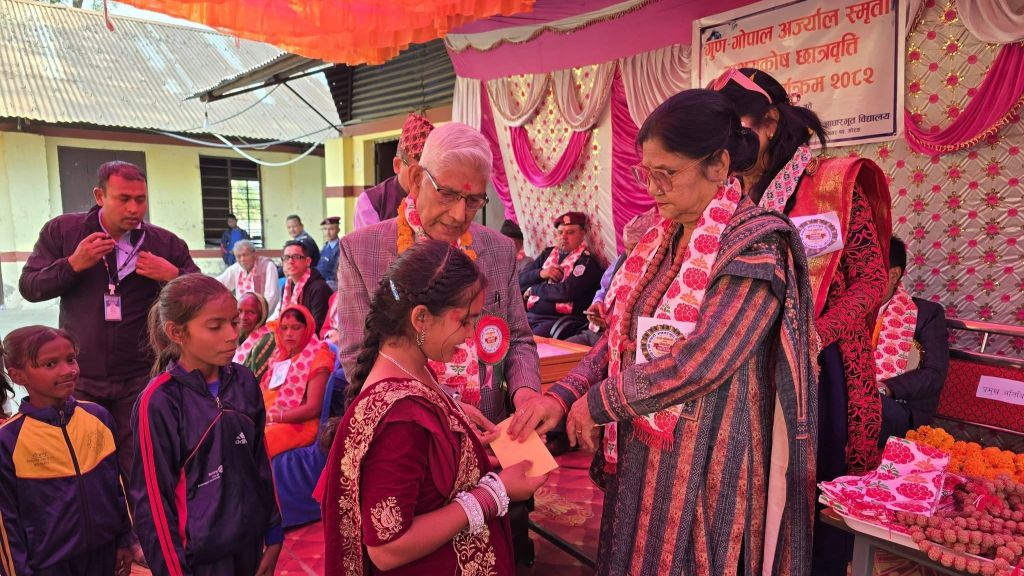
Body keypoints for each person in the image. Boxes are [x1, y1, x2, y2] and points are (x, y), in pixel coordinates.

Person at [509, 89, 819, 576]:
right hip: (643, 455)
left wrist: (598, 403)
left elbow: (703, 361)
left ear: (718, 165)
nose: (653, 188)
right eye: (645, 173)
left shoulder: (754, 246)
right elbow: (619, 338)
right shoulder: (661, 239)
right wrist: (563, 396)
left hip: (708, 465)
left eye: (667, 173)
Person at [337, 122, 545, 565]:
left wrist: (526, 394)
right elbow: (357, 355)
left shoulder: (497, 250)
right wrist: (444, 407)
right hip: (413, 443)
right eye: (447, 194)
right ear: (415, 178)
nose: (458, 214)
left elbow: (520, 338)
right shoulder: (363, 250)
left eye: (474, 200)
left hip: (489, 439)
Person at [713, 67, 892, 575]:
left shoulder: (831, 184)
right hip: (740, 369)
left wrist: (812, 337)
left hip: (820, 368)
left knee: (808, 505)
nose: (726, 146)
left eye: (735, 129)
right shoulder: (722, 192)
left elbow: (871, 280)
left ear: (770, 122)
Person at [322, 240, 547, 575]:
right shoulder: (399, 418)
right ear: (421, 318)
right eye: (465, 321)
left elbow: (425, 477)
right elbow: (388, 548)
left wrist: (473, 451)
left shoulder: (414, 370)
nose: (471, 335)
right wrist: (496, 491)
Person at [19, 160, 199, 478]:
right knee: (86, 466)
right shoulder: (64, 231)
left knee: (140, 468)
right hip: (80, 377)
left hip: (140, 376)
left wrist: (174, 275)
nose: (134, 208)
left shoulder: (164, 243)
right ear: (100, 196)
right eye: (123, 199)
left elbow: (203, 295)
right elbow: (29, 287)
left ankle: (139, 513)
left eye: (140, 199)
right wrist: (72, 265)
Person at [132, 274, 282, 576]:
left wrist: (274, 532)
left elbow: (260, 462)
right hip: (199, 559)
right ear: (177, 332)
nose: (232, 335)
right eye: (215, 327)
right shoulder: (160, 401)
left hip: (249, 544)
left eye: (234, 322)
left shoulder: (244, 381)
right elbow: (153, 501)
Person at [0, 326, 133, 576]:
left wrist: (124, 539)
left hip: (103, 556)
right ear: (18, 375)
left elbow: (116, 487)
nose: (68, 370)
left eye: (71, 359)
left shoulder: (98, 417)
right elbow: (7, 525)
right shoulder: (8, 441)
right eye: (50, 364)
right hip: (47, 566)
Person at [874, 237, 949, 444]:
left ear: (893, 275)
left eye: (865, 272)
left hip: (900, 406)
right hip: (851, 396)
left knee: (861, 403)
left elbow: (934, 374)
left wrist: (884, 388)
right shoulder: (847, 311)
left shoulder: (926, 314)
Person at [567, 210, 658, 346]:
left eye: (635, 249)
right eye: (627, 248)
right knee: (557, 353)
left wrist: (611, 323)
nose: (630, 255)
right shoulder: (622, 260)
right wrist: (597, 302)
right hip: (594, 332)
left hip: (620, 341)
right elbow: (603, 289)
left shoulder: (656, 273)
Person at [261, 304, 334, 457]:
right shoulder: (281, 354)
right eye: (284, 328)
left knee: (257, 440)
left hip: (301, 424)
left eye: (296, 328)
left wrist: (272, 417)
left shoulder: (319, 357)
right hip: (272, 416)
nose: (288, 333)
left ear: (307, 329)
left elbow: (313, 408)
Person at [518, 211, 604, 339]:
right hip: (530, 316)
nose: (564, 237)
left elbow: (566, 292)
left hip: (557, 321)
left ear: (582, 234)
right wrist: (541, 273)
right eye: (560, 232)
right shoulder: (547, 255)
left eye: (570, 232)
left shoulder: (586, 262)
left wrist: (534, 289)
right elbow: (519, 282)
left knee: (528, 342)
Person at [353, 113, 435, 230]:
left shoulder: (437, 197)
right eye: (416, 173)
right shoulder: (371, 202)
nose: (423, 180)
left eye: (428, 172)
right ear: (397, 165)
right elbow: (370, 241)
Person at [274, 240, 332, 334]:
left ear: (308, 261)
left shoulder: (319, 288)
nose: (290, 261)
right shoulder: (287, 286)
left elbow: (318, 327)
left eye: (296, 257)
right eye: (286, 257)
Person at [216, 239, 282, 313]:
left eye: (245, 255)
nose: (242, 259)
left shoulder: (267, 266)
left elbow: (271, 296)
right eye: (238, 256)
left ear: (255, 254)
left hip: (265, 313)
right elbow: (218, 283)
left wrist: (259, 315)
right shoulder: (236, 268)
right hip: (242, 314)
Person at [235, 292, 277, 384]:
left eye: (251, 312)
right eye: (239, 311)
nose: (243, 317)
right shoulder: (238, 337)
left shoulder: (266, 340)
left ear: (262, 315)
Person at [318, 216, 342, 291]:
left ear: (338, 230)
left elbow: (335, 273)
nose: (327, 233)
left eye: (331, 229)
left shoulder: (340, 248)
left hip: (331, 285)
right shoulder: (326, 245)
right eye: (325, 229)